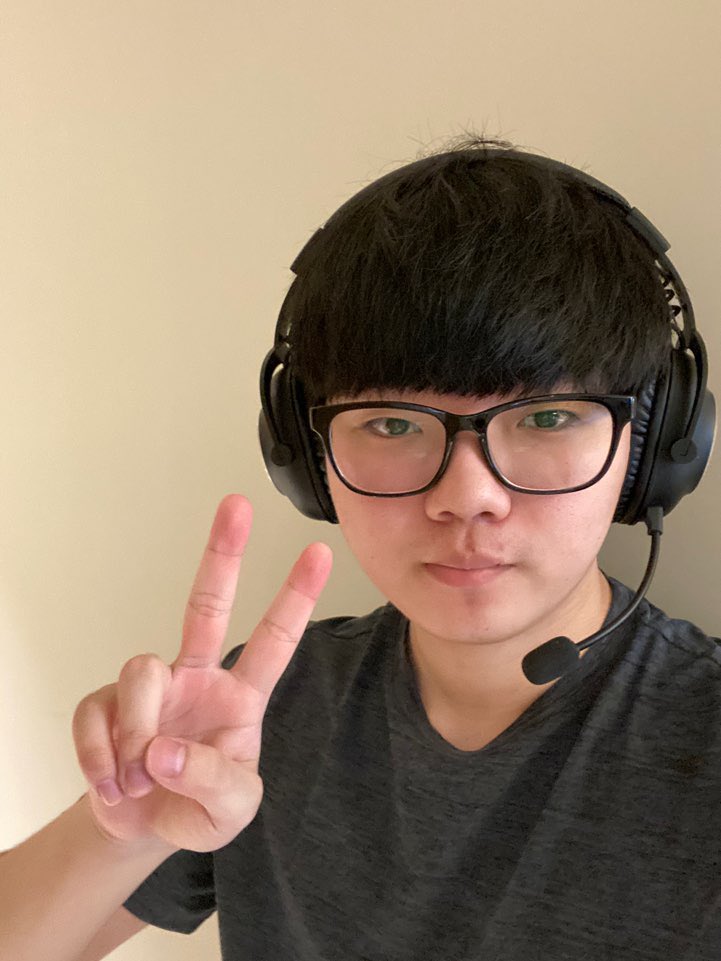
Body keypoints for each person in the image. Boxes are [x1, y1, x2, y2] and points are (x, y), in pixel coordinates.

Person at [1, 138, 719, 961]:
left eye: (547, 418)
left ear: (651, 446)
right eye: (392, 423)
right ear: (307, 460)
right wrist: (118, 833)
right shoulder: (260, 710)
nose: (466, 497)